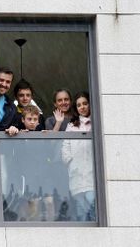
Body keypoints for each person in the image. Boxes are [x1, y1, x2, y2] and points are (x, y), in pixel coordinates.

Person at [61, 92, 95, 221]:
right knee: (81, 214)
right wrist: (70, 161)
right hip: (76, 175)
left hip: (92, 176)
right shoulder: (71, 125)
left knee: (93, 210)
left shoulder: (95, 123)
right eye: (79, 105)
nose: (82, 107)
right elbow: (65, 146)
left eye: (85, 103)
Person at [0, 67, 20, 135]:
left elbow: (15, 126)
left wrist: (13, 128)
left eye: (8, 82)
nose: (4, 84)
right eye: (1, 80)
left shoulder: (12, 108)